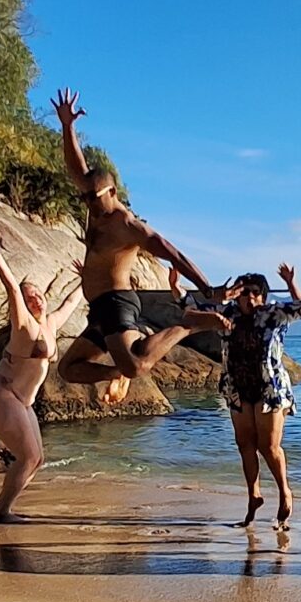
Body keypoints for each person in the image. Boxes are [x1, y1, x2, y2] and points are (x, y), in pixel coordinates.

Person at [47, 89, 216, 403]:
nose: (90, 204)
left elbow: (171, 251)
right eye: (85, 197)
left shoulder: (128, 226)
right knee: (69, 370)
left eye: (96, 198)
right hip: (98, 309)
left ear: (112, 191)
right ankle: (116, 373)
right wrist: (67, 125)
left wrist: (204, 286)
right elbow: (76, 166)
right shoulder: (92, 200)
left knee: (137, 364)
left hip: (118, 303)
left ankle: (187, 326)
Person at [186, 264, 301, 527]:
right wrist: (179, 285)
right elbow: (191, 308)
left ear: (264, 296)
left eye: (255, 293)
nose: (249, 298)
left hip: (271, 390)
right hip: (238, 387)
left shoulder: (274, 313)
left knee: (268, 446)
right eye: (244, 292)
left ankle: (284, 491)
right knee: (245, 444)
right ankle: (253, 495)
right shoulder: (226, 313)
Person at [0, 233, 84, 524]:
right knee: (29, 457)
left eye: (38, 293)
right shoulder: (23, 325)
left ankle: (0, 509)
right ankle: (0, 513)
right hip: (1, 394)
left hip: (22, 401)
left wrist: (86, 278)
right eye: (29, 296)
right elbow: (11, 288)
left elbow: (71, 302)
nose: (36, 298)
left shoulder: (49, 324)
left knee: (37, 459)